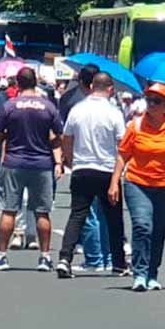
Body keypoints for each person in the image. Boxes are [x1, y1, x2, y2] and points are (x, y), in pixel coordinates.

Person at [110, 82, 165, 291]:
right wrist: (114, 182)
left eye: (157, 101)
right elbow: (123, 155)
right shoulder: (136, 125)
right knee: (142, 226)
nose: (152, 104)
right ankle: (139, 273)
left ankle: (152, 273)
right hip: (137, 182)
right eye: (149, 100)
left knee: (158, 230)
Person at [0, 67, 63, 272]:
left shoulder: (10, 106)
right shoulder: (48, 107)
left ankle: (1, 256)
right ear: (35, 82)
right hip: (41, 164)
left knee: (9, 210)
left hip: (15, 162)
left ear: (17, 84)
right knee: (42, 212)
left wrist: (2, 137)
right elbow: (58, 136)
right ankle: (45, 257)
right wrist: (58, 159)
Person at [56, 72, 127, 278]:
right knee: (113, 218)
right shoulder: (114, 112)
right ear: (110, 89)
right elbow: (122, 144)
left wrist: (70, 160)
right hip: (106, 170)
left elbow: (67, 138)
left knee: (77, 215)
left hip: (82, 168)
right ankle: (119, 263)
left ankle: (64, 258)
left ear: (91, 86)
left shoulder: (77, 110)